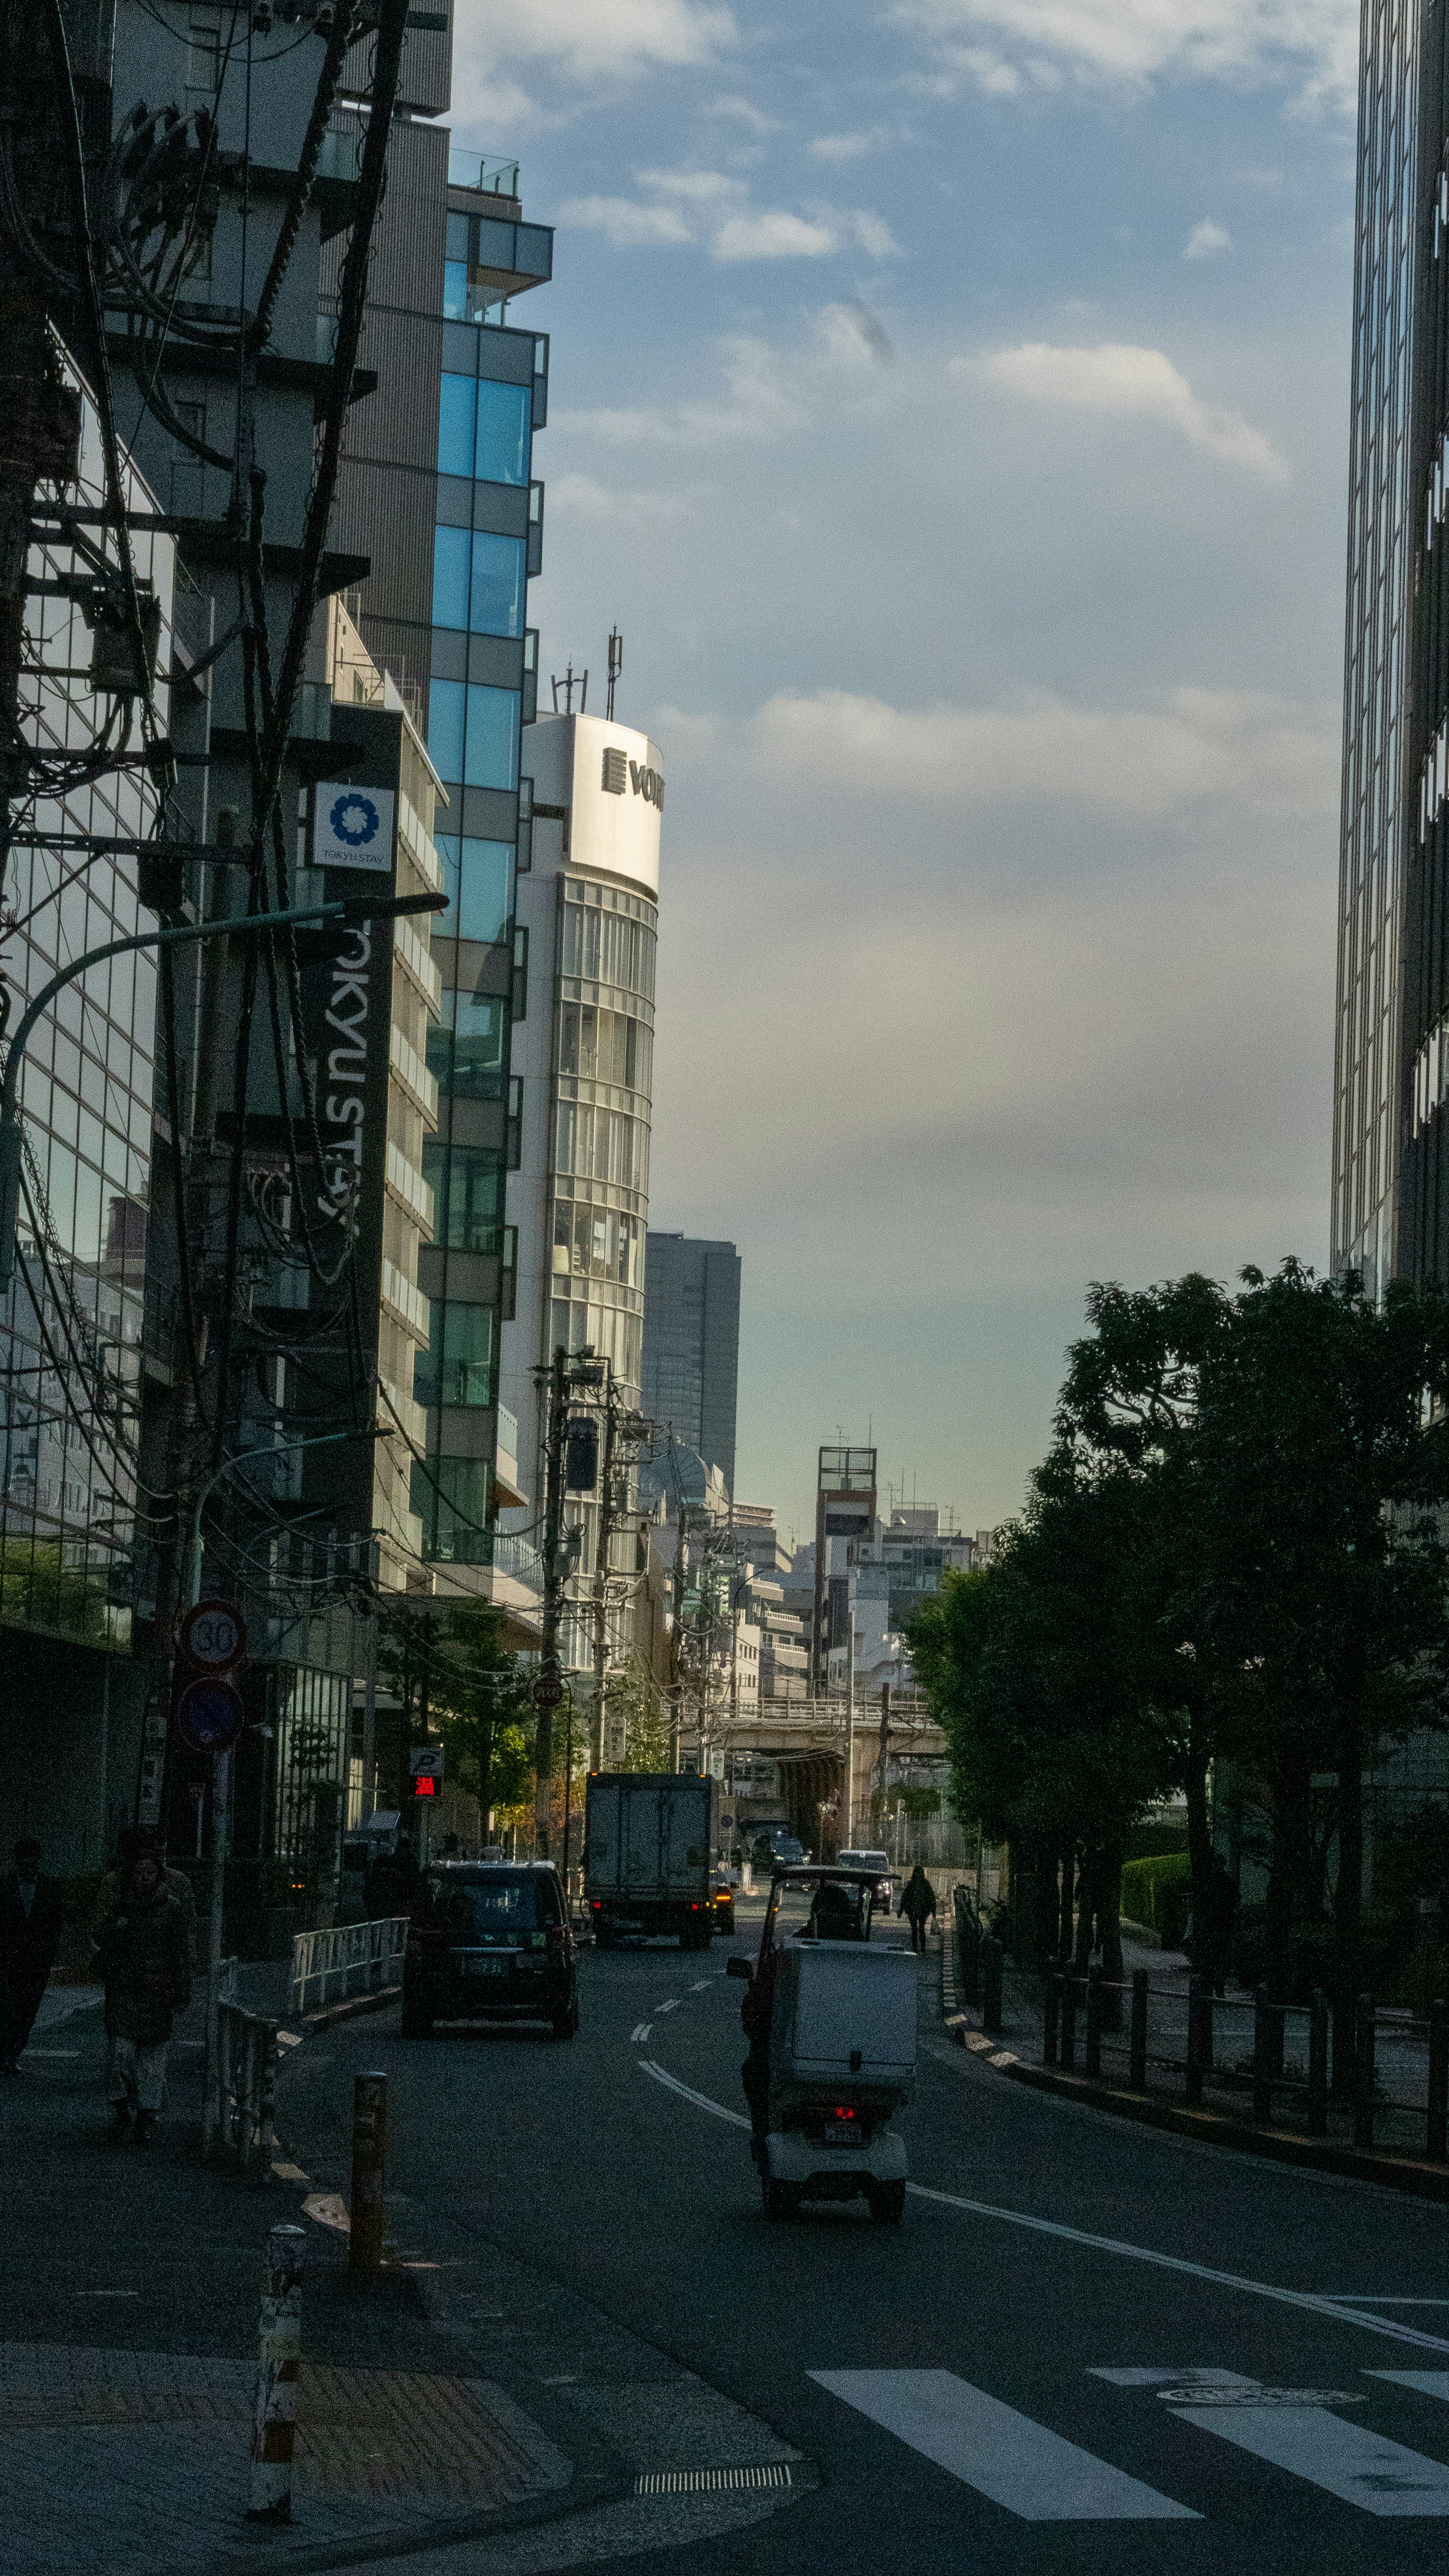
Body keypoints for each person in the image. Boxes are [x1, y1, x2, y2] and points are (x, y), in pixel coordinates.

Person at [94, 1849, 191, 2144]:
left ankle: (147, 2116)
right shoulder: (121, 1907)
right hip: (124, 1991)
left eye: (150, 1872)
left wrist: (181, 1989)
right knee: (120, 2054)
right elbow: (102, 1937)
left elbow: (181, 1952)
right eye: (139, 1872)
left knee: (152, 2060)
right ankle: (123, 2108)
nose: (144, 1878)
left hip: (158, 1993)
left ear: (159, 1876)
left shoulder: (172, 1909)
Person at [0, 1838, 65, 2073]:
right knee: (9, 2007)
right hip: (9, 1959)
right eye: (25, 1859)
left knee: (27, 2009)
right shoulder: (5, 1886)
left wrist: (47, 1956)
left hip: (36, 1960)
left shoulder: (50, 1888)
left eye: (32, 1859)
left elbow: (55, 1925)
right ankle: (7, 2054)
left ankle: (11, 2054)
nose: (29, 1864)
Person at [93, 1826, 198, 1966]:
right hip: (130, 1964)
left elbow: (187, 1928)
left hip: (156, 1964)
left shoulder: (176, 1881)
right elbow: (100, 1931)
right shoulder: (114, 1881)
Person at [1196, 1854, 1239, 1997]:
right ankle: (1219, 1989)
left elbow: (1202, 1902)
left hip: (1212, 1925)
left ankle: (1209, 1988)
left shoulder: (1209, 1881)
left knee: (1211, 1958)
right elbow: (1235, 1900)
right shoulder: (1228, 1881)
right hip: (1223, 1925)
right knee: (1221, 1959)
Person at [899, 1864, 938, 1953]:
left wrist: (901, 1910)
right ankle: (920, 1948)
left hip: (918, 1910)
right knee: (919, 1929)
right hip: (919, 1910)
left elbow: (905, 1898)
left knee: (918, 1930)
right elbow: (931, 1898)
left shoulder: (913, 1884)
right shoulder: (923, 1884)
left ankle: (918, 1948)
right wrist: (933, 1911)